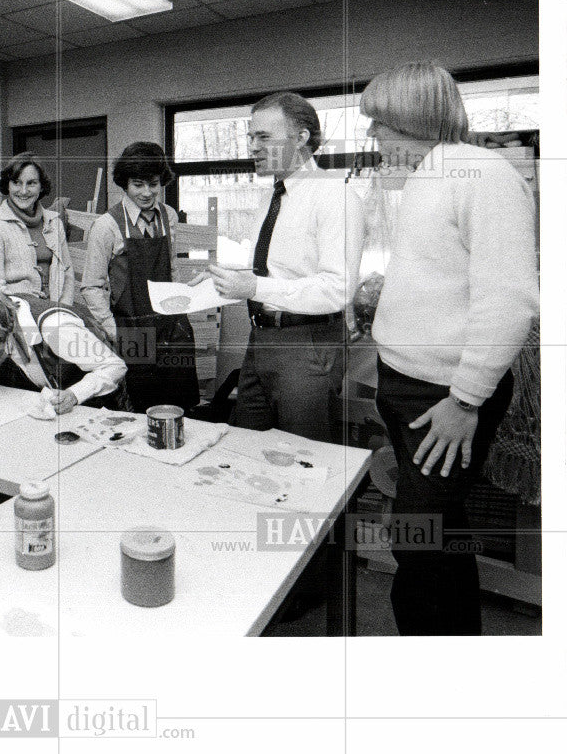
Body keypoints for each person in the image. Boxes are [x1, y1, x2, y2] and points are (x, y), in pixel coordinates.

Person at [360, 62, 538, 635]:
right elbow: (447, 278)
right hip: (404, 381)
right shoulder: (426, 178)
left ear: (415, 119)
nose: (373, 138)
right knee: (437, 526)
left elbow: (511, 299)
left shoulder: (481, 174)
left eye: (380, 125)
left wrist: (465, 400)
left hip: (444, 396)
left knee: (417, 535)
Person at [194, 92, 363, 442]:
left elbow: (337, 289)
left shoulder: (334, 196)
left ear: (301, 138)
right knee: (247, 446)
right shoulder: (271, 197)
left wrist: (254, 288)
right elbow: (273, 271)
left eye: (264, 137)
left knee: (304, 456)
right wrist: (220, 281)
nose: (253, 147)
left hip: (307, 342)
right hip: (261, 340)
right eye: (250, 138)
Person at [80, 141, 199, 413]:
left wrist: (183, 305)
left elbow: (171, 268)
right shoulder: (107, 226)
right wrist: (113, 330)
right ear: (125, 183)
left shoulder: (168, 216)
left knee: (180, 403)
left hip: (172, 326)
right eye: (138, 185)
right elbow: (91, 286)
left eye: (154, 184)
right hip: (132, 330)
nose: (147, 193)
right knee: (141, 406)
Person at [0, 282, 128, 414]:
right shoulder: (2, 320)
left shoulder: (56, 327)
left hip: (102, 409)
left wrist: (75, 394)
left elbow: (114, 366)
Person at [0, 152, 76, 304]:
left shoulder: (54, 222)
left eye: (31, 183)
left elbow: (68, 272)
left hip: (56, 309)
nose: (23, 191)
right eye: (16, 182)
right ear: (8, 185)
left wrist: (64, 308)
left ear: (41, 186)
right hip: (16, 312)